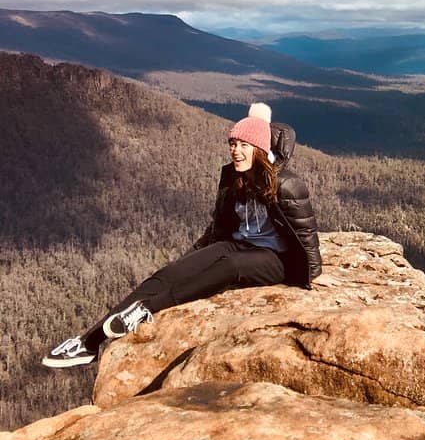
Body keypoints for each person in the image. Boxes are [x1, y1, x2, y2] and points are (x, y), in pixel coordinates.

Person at [43, 103, 323, 368]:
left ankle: (147, 310)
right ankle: (88, 343)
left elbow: (307, 240)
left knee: (230, 268)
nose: (236, 151)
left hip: (276, 259)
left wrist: (306, 279)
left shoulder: (287, 186)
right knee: (169, 273)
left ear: (260, 150)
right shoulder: (234, 177)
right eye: (233, 144)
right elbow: (219, 227)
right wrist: (192, 257)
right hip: (239, 244)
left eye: (244, 145)